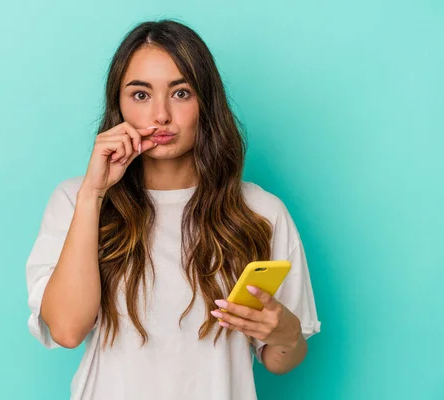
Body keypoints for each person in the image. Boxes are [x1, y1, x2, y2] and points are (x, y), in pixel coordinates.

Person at [25, 19, 321, 400]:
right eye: (141, 95)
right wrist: (93, 194)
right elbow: (66, 330)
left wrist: (286, 333)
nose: (161, 115)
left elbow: (282, 359)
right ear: (119, 105)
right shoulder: (75, 200)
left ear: (206, 103)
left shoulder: (260, 211)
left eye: (181, 93)